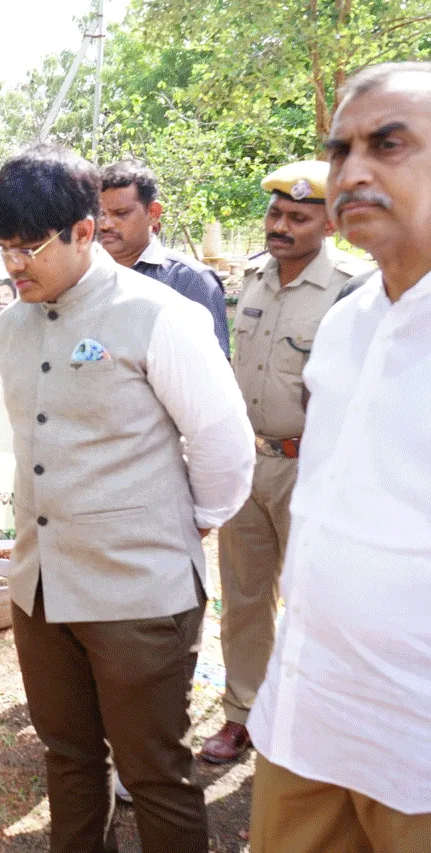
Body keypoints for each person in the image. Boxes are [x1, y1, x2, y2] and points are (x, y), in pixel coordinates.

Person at [0, 144, 254, 853]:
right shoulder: (11, 327)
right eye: (4, 247)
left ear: (83, 228)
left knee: (155, 769)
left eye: (29, 246)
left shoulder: (157, 314)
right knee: (68, 758)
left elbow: (224, 444)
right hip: (42, 588)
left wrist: (181, 524)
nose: (14, 264)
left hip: (140, 592)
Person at [247, 62, 431, 852]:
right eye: (340, 149)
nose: (352, 171)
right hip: (309, 711)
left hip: (415, 739)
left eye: (388, 144)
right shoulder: (350, 323)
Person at [201, 161, 371, 765]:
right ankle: (243, 715)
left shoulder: (354, 288)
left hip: (315, 469)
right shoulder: (252, 278)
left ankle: (310, 724)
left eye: (298, 217)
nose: (281, 226)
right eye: (275, 214)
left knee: (313, 599)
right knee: (244, 600)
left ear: (328, 223)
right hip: (251, 465)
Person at [99, 159, 231, 356]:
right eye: (99, 214)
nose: (106, 224)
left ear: (153, 213)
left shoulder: (190, 280)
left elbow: (212, 373)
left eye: (121, 213)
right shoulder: (86, 276)